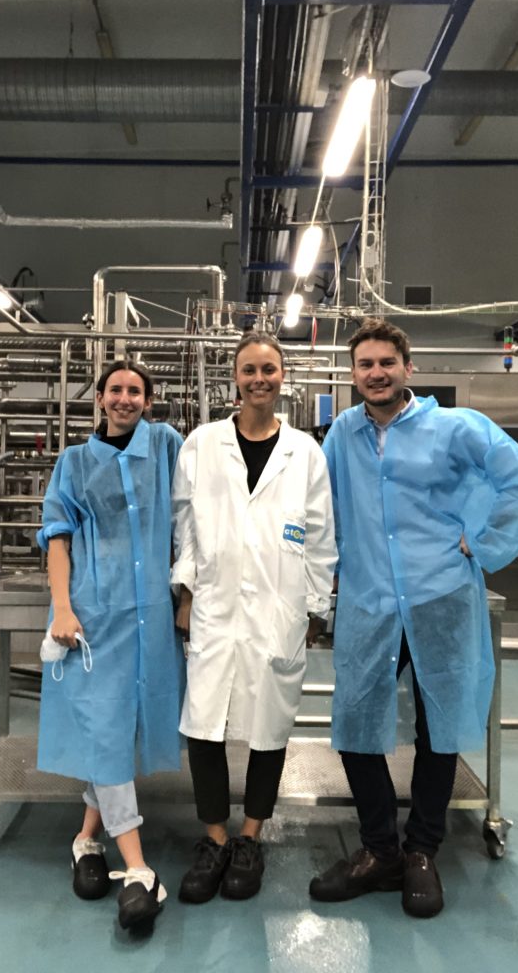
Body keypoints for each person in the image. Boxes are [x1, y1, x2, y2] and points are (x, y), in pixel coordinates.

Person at [311, 318, 518, 918]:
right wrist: (324, 576)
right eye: (365, 364)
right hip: (369, 601)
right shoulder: (341, 434)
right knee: (355, 723)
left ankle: (421, 850)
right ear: (353, 374)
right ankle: (379, 850)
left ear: (407, 368)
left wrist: (484, 541)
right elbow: (324, 507)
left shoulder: (454, 428)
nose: (376, 373)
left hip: (439, 597)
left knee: (437, 727)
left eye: (386, 362)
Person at [171, 331, 337, 904]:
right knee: (204, 724)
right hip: (214, 606)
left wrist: (315, 607)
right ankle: (215, 838)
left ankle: (250, 837)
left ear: (282, 376)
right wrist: (186, 593)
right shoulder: (201, 444)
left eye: (269, 369)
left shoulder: (306, 452)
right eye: (249, 370)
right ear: (235, 377)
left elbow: (321, 537)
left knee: (270, 728)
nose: (259, 379)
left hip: (278, 608)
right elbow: (185, 525)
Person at [36, 359, 184, 934]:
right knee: (104, 727)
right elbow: (57, 537)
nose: (125, 398)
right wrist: (63, 607)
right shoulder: (74, 462)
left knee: (118, 733)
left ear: (148, 400)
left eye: (135, 391)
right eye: (115, 389)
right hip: (93, 617)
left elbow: (191, 517)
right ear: (100, 398)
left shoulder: (166, 446)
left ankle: (84, 840)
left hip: (150, 616)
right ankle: (139, 870)